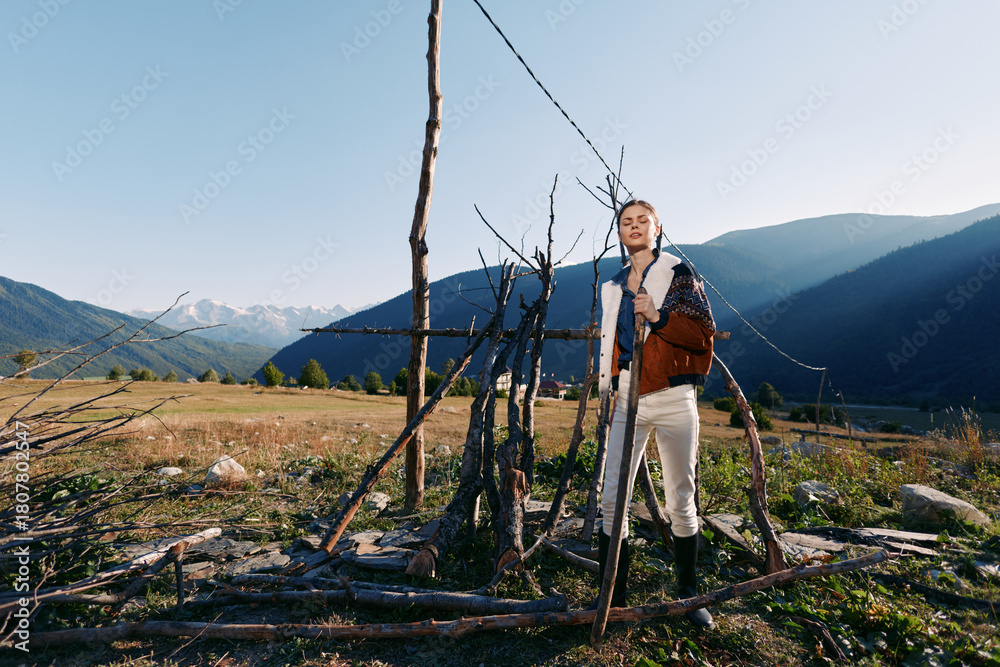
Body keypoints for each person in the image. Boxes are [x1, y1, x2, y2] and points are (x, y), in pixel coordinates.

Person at [594, 199, 716, 628]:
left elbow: (702, 333)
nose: (634, 227)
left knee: (680, 496)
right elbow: (610, 344)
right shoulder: (611, 286)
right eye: (626, 222)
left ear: (657, 227)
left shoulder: (678, 273)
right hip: (628, 395)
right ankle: (614, 594)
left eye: (642, 220)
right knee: (613, 498)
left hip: (672, 394)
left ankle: (688, 593)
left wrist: (658, 315)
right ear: (619, 231)